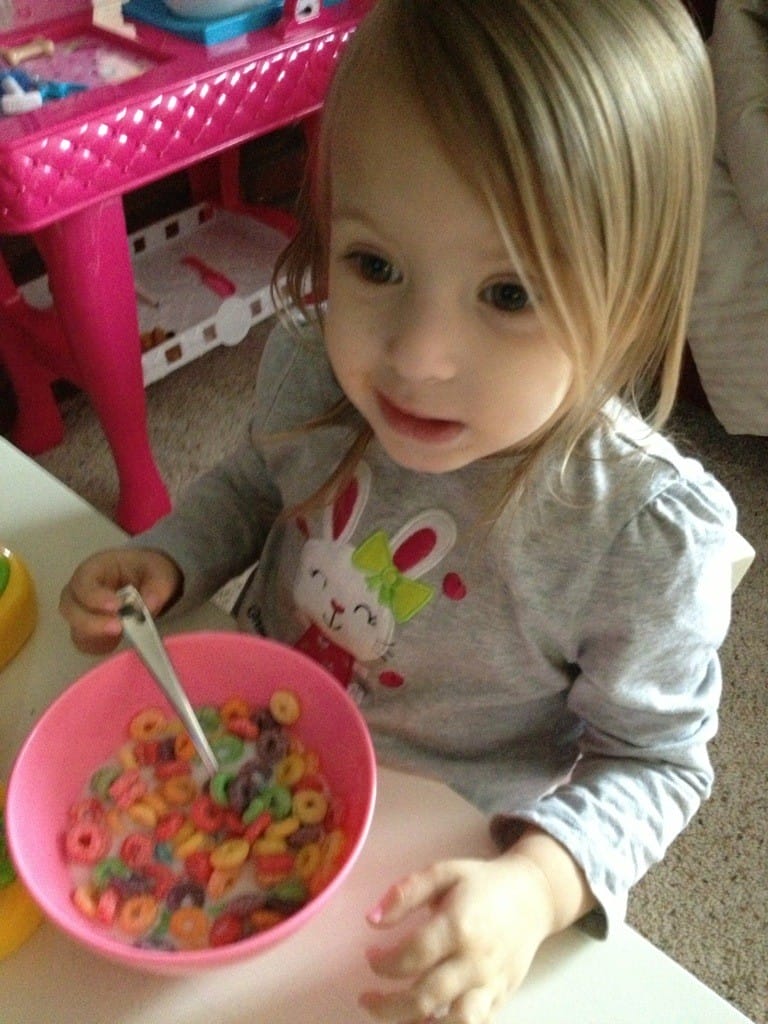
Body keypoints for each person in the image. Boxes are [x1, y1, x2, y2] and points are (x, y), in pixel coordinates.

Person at [59, 1, 737, 1021]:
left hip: (436, 869)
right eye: (375, 266)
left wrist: (536, 888)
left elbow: (657, 760)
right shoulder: (312, 364)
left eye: (509, 294)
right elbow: (257, 484)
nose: (416, 357)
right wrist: (174, 557)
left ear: (631, 299)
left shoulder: (642, 534)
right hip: (242, 759)